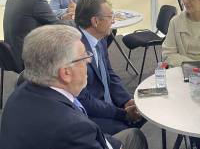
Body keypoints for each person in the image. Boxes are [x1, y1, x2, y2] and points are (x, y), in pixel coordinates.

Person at [0, 25, 148, 149]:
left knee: (133, 135)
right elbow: (77, 131)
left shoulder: (19, 93)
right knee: (135, 136)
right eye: (84, 57)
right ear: (66, 73)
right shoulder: (73, 127)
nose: (89, 61)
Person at [74, 0, 146, 135]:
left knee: (146, 110)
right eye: (110, 17)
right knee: (131, 133)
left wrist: (126, 100)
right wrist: (122, 114)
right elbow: (84, 100)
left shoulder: (100, 39)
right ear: (95, 21)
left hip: (109, 104)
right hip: (91, 115)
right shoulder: (76, 50)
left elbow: (109, 73)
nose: (113, 21)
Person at [3, 0, 72, 72]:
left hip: (9, 55)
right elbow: (58, 26)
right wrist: (78, 20)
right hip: (26, 57)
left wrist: (60, 18)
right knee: (71, 51)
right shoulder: (36, 0)